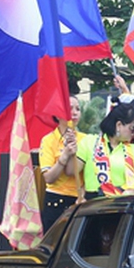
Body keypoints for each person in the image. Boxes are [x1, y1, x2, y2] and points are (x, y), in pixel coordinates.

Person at [76, 101, 134, 199]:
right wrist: (69, 152)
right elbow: (72, 171)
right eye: (132, 128)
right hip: (93, 203)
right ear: (119, 125)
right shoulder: (90, 142)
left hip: (122, 203)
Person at [39, 95, 82, 230]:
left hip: (80, 200)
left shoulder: (86, 139)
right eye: (69, 109)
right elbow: (49, 178)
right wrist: (64, 156)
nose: (74, 112)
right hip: (56, 200)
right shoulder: (48, 141)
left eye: (78, 109)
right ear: (57, 115)